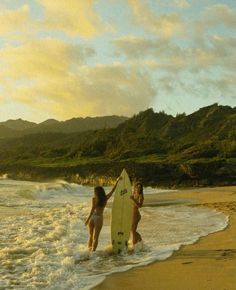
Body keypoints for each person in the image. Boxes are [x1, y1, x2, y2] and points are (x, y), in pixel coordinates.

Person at [85, 176, 121, 251]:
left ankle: (88, 251)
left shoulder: (94, 199)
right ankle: (93, 253)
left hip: (92, 218)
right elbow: (112, 190)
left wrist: (87, 220)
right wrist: (117, 181)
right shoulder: (105, 198)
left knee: (90, 236)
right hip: (99, 218)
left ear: (96, 193)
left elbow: (92, 210)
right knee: (96, 238)